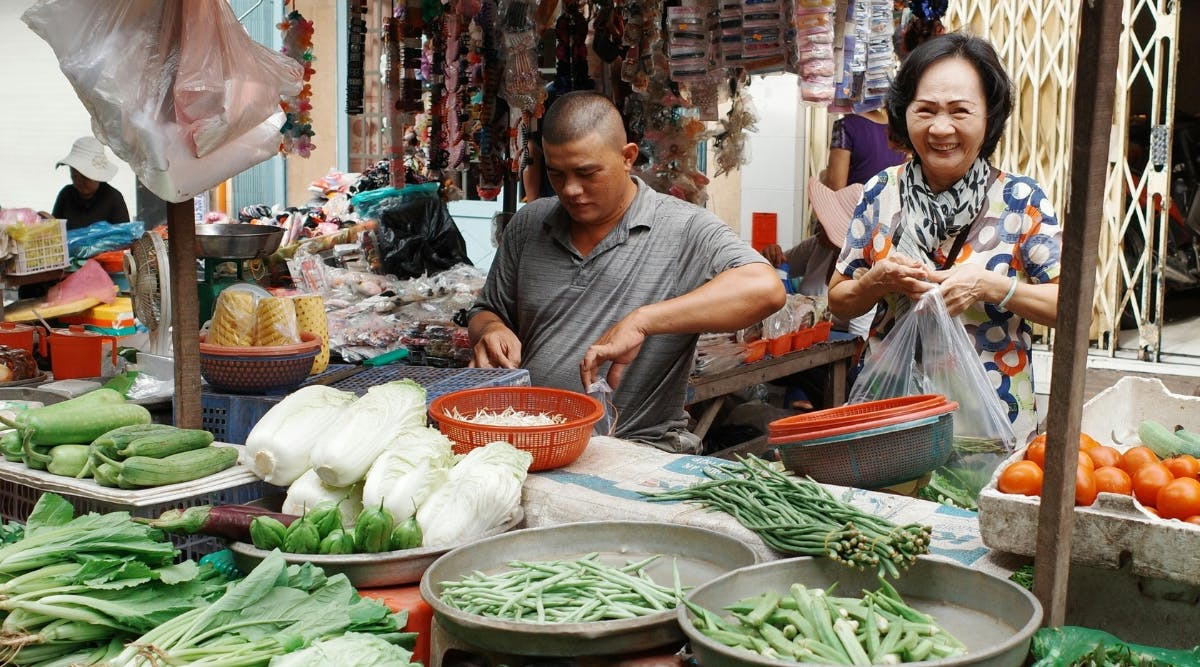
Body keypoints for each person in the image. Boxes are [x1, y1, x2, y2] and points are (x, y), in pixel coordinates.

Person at [469, 91, 785, 453]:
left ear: (627, 158)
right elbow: (485, 309)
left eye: (587, 173)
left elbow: (765, 288)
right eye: (557, 174)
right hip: (529, 439)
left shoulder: (683, 228)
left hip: (634, 450)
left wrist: (643, 320)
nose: (571, 190)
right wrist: (492, 329)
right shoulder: (529, 224)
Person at [827, 33, 1061, 445]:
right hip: (892, 409)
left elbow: (1076, 310)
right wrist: (876, 281)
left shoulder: (1021, 201)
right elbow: (839, 299)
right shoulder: (881, 191)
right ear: (905, 114)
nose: (940, 128)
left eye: (960, 111)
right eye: (926, 110)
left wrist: (990, 286)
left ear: (990, 117)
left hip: (990, 417)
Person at [51, 136, 130, 231]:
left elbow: (124, 237)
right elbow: (54, 230)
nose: (79, 182)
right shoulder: (66, 195)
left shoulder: (113, 198)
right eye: (75, 176)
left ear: (98, 176)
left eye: (85, 177)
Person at [823, 109, 909, 190]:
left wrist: (824, 176)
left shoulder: (845, 126)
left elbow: (836, 187)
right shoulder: (896, 130)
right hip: (889, 203)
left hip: (855, 204)